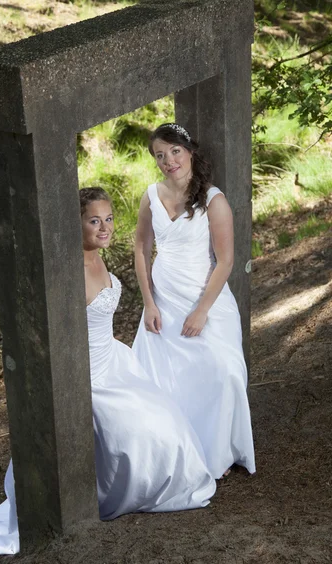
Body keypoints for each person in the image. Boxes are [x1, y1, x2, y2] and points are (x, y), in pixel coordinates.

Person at [0, 186, 216, 555]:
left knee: (167, 415)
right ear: (76, 224)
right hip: (85, 374)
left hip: (113, 360)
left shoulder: (98, 257)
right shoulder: (68, 271)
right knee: (141, 428)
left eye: (109, 218)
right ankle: (115, 492)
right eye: (94, 220)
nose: (105, 227)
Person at [133, 123, 256, 480]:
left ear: (189, 152)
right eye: (160, 154)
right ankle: (176, 450)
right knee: (162, 380)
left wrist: (201, 311)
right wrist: (148, 303)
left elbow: (226, 260)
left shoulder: (213, 200)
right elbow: (141, 248)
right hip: (162, 303)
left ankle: (221, 451)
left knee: (224, 372)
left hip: (205, 299)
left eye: (174, 151)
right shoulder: (150, 196)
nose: (168, 160)